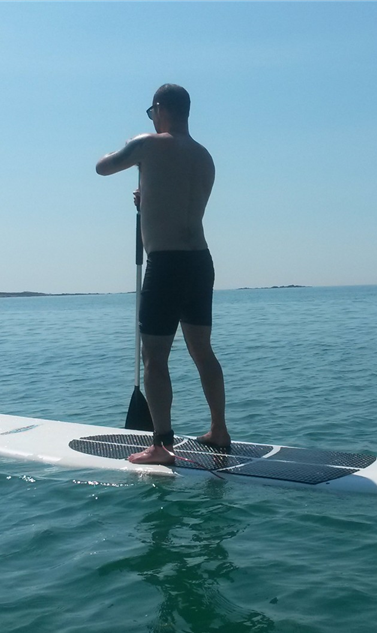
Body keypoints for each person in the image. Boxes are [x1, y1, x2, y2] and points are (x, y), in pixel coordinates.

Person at [95, 84, 229, 464]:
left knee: (154, 357)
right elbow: (179, 199)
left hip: (166, 263)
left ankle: (162, 445)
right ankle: (219, 429)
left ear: (160, 109)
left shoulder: (148, 144)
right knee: (202, 351)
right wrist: (149, 194)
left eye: (152, 112)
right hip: (199, 262)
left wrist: (133, 148)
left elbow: (103, 166)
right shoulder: (204, 157)